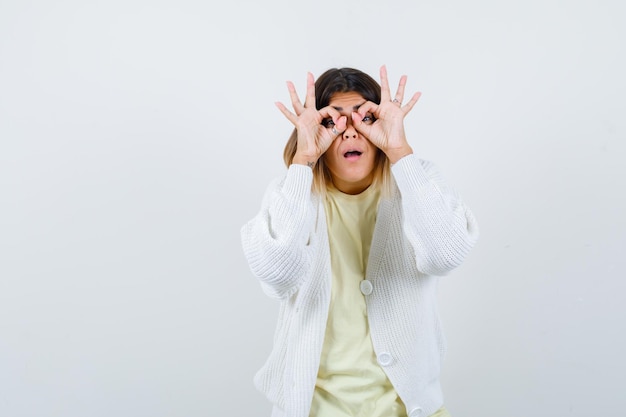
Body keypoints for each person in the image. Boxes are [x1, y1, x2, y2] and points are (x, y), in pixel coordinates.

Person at [240, 65, 479, 417]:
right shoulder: (290, 194)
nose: (350, 133)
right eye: (333, 122)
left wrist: (400, 152)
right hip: (313, 408)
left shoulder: (419, 182)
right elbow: (277, 276)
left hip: (409, 408)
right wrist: (302, 163)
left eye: (365, 119)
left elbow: (445, 256)